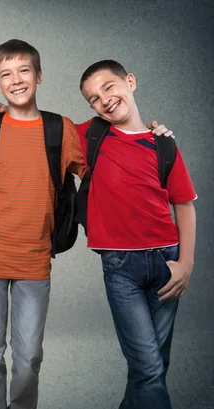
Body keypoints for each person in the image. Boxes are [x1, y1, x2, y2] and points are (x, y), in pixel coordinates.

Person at [0, 39, 86, 409]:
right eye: (6, 74)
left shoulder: (60, 129)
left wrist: (147, 132)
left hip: (34, 257)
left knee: (29, 355)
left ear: (38, 75)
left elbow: (101, 168)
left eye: (23, 71)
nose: (16, 80)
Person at [77, 59, 196, 409]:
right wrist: (4, 108)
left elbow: (185, 206)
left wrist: (186, 263)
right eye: (94, 99)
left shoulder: (164, 145)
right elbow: (40, 127)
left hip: (167, 262)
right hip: (120, 268)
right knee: (148, 369)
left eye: (109, 87)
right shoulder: (91, 136)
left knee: (152, 367)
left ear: (130, 81)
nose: (104, 100)